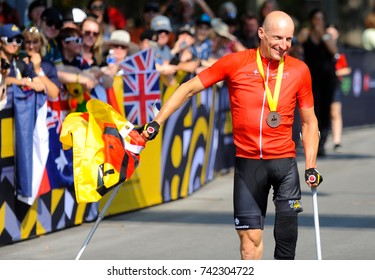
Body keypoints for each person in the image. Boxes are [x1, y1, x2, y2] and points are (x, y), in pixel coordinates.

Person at [138, 11, 323, 260]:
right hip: (248, 165)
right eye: (278, 37)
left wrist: (310, 166)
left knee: (286, 243)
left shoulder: (299, 70)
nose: (284, 45)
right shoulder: (236, 62)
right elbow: (188, 88)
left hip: (284, 165)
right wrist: (156, 121)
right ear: (261, 33)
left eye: (289, 39)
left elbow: (310, 123)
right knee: (249, 244)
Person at [302, 9, 339, 157]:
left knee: (325, 110)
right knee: (312, 110)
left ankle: (322, 142)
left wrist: (323, 35)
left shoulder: (326, 35)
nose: (318, 22)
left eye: (320, 19)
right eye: (315, 19)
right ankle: (312, 141)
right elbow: (297, 43)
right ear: (311, 20)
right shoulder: (306, 33)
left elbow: (334, 51)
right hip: (311, 78)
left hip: (327, 78)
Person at [21, 26, 60, 99]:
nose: (31, 46)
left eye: (35, 42)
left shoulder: (48, 65)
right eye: (28, 42)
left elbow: (54, 94)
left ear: (41, 43)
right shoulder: (17, 61)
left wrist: (38, 70)